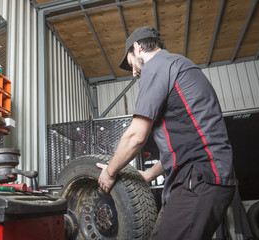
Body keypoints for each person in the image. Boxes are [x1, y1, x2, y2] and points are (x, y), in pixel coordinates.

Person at [96, 26, 237, 240]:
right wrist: (149, 174)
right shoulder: (179, 65)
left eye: (131, 63)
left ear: (137, 48)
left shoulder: (157, 66)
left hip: (199, 180)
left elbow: (136, 136)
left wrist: (110, 172)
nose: (134, 72)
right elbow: (188, 143)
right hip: (201, 179)